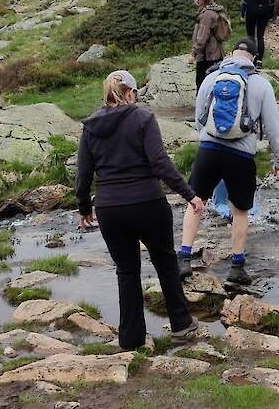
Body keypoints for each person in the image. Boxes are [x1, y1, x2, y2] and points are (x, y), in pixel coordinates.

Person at [76, 70, 202, 350]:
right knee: (165, 263)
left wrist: (84, 207)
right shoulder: (143, 118)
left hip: (109, 207)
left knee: (126, 270)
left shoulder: (91, 126)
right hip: (147, 202)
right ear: (131, 92)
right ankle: (181, 325)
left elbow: (83, 173)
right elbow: (160, 162)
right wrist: (189, 194)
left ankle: (131, 340)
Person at [177, 38, 279, 285]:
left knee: (196, 202)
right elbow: (274, 127)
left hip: (209, 150)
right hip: (241, 156)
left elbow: (199, 117)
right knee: (240, 210)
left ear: (231, 54)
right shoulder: (260, 83)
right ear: (255, 59)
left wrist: (209, 138)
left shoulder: (211, 78)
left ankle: (184, 258)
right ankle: (237, 267)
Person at [190, 0, 229, 90]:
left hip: (208, 55)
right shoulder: (212, 10)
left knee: (202, 85)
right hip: (216, 53)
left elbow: (202, 38)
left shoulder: (206, 15)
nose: (196, 0)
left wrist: (194, 54)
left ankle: (202, 106)